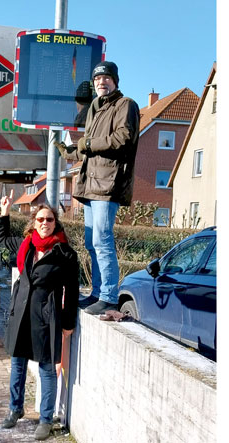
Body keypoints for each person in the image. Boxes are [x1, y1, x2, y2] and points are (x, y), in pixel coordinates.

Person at [55, 61, 140, 315]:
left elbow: (123, 138)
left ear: (115, 81)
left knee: (103, 241)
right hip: (90, 183)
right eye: (97, 80)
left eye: (106, 79)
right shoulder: (95, 107)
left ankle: (109, 296)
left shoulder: (126, 105)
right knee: (92, 243)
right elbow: (89, 146)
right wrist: (74, 149)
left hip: (108, 183)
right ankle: (96, 293)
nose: (101, 83)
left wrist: (87, 143)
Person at [0, 190, 79, 441]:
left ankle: (45, 419)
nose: (45, 223)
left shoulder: (65, 254)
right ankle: (15, 408)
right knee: (17, 364)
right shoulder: (26, 245)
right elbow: (1, 239)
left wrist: (67, 323)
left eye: (50, 219)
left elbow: (71, 291)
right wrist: (4, 212)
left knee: (46, 368)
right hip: (21, 312)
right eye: (41, 219)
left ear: (56, 223)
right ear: (34, 223)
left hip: (46, 315)